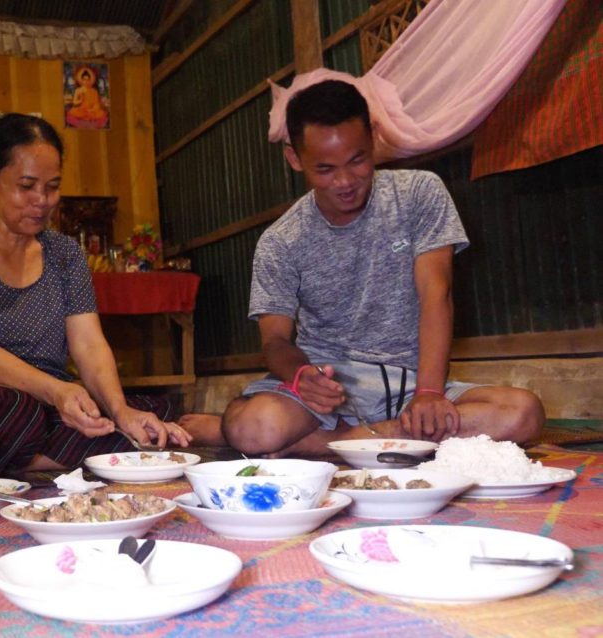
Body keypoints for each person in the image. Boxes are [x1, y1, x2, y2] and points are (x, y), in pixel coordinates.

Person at [221, 80, 544, 457]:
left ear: (373, 138)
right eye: (324, 168)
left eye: (357, 160)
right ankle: (383, 439)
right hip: (328, 394)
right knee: (253, 427)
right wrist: (301, 376)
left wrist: (428, 393)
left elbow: (436, 295)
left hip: (411, 385)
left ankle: (344, 443)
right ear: (295, 159)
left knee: (523, 414)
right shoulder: (280, 241)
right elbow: (274, 341)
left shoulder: (419, 194)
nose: (344, 182)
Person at [0, 113, 192, 477]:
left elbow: (88, 343)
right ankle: (65, 455)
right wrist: (56, 392)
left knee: (138, 412)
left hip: (48, 397)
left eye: (52, 186)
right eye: (26, 186)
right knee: (18, 415)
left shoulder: (65, 254)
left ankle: (23, 462)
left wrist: (119, 410)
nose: (42, 200)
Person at [65, 65, 109, 129]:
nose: (86, 82)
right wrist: (80, 101)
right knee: (73, 113)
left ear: (90, 80)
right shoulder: (78, 90)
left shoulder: (94, 91)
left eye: (88, 80)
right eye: (84, 80)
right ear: (81, 80)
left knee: (101, 114)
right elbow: (74, 102)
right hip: (81, 110)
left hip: (92, 111)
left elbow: (97, 103)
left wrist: (92, 109)